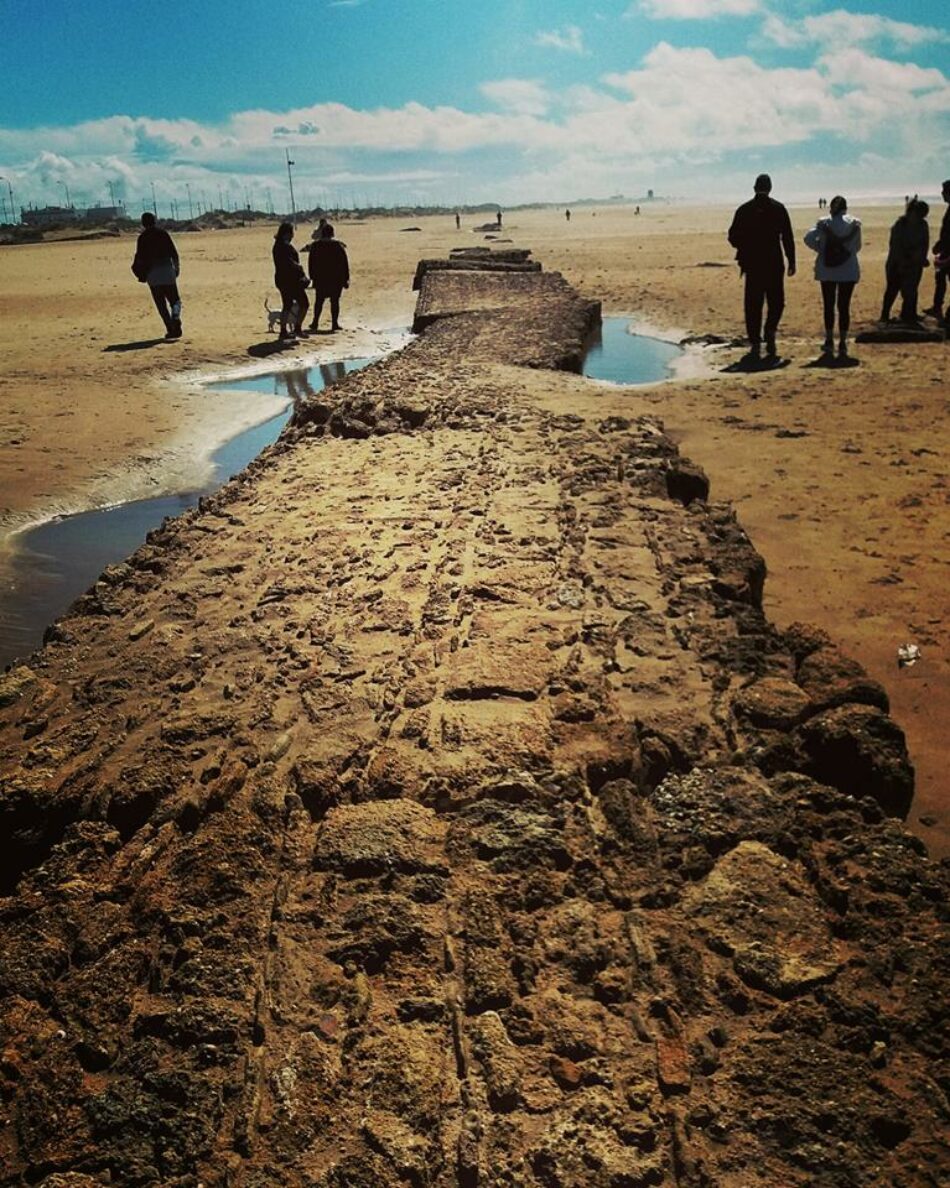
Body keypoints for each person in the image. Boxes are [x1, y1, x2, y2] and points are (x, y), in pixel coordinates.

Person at [727, 173, 796, 359]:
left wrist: (745, 245)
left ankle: (756, 340)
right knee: (777, 302)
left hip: (752, 263)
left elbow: (732, 236)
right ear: (770, 187)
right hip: (773, 262)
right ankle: (770, 330)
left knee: (753, 304)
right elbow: (787, 236)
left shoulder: (744, 209)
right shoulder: (778, 208)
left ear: (754, 188)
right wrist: (792, 260)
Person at [803, 195, 862, 357]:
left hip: (826, 268)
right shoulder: (855, 224)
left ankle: (829, 339)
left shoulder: (824, 223)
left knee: (829, 305)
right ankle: (843, 342)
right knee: (844, 306)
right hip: (848, 269)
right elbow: (857, 247)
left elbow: (807, 238)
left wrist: (820, 249)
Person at [131, 212, 182, 339]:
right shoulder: (163, 234)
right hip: (167, 269)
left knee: (161, 304)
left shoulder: (142, 238)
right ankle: (175, 317)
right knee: (175, 300)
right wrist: (176, 268)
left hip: (152, 274)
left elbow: (140, 258)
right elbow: (174, 253)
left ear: (143, 223)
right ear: (155, 221)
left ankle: (170, 329)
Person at [880, 199, 930, 324]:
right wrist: (902, 262)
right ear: (911, 212)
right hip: (896, 263)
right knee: (892, 289)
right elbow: (895, 246)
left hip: (915, 264)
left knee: (912, 290)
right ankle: (884, 315)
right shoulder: (900, 225)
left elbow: (925, 243)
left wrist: (922, 258)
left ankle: (909, 314)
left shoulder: (923, 225)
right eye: (918, 214)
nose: (919, 218)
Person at [307, 223, 350, 332]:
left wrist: (312, 277)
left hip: (321, 278)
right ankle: (334, 323)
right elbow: (344, 263)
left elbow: (311, 263)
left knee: (319, 301)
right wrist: (346, 279)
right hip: (335, 279)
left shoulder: (316, 246)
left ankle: (315, 322)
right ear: (332, 233)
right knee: (335, 301)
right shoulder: (338, 246)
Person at [272, 221, 309, 342]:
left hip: (281, 279)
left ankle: (284, 331)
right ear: (286, 233)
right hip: (291, 280)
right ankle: (297, 328)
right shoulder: (284, 246)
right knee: (304, 303)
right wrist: (299, 268)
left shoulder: (277, 245)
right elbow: (289, 262)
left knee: (287, 305)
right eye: (291, 233)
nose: (293, 235)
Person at [923, 179, 950, 324]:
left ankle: (940, 308)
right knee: (940, 279)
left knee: (942, 278)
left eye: (944, 191)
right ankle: (937, 307)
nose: (942, 194)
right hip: (946, 250)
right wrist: (939, 245)